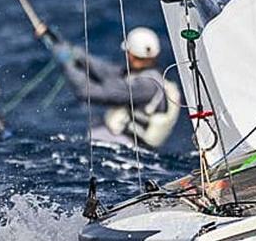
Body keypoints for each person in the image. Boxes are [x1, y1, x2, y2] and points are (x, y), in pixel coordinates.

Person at [43, 26, 181, 151]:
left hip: (128, 148)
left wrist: (67, 64)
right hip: (125, 143)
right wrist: (74, 52)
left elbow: (86, 92)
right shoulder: (149, 77)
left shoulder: (145, 85)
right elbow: (108, 72)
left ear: (131, 55)